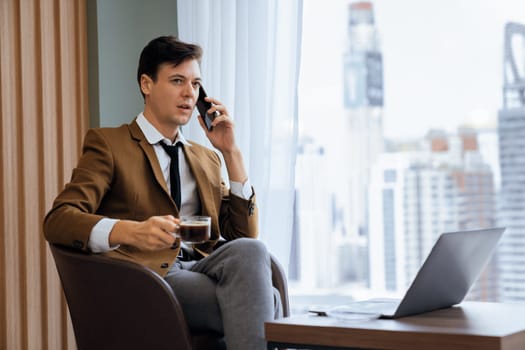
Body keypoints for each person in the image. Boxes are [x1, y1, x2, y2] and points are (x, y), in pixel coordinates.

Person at [43, 35, 281, 350]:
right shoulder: (109, 144)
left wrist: (231, 153)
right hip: (147, 277)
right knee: (268, 301)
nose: (189, 93)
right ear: (146, 84)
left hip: (202, 265)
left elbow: (242, 237)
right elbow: (58, 219)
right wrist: (130, 231)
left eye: (196, 84)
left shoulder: (206, 158)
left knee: (254, 252)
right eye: (177, 81)